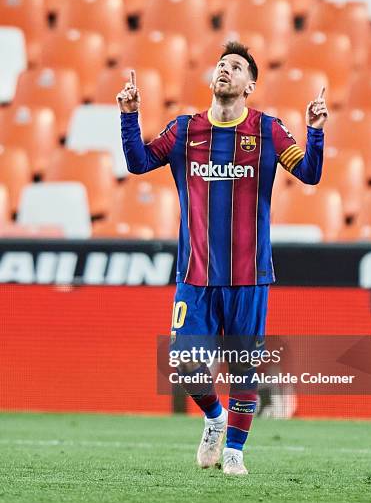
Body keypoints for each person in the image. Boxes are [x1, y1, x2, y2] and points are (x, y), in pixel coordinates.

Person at [117, 41, 328, 476]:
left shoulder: (268, 131)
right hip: (195, 275)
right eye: (221, 65)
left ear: (250, 85)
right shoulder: (184, 131)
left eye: (235, 67)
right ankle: (214, 418)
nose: (225, 70)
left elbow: (308, 172)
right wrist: (129, 116)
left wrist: (316, 131)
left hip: (249, 275)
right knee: (183, 362)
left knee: (244, 369)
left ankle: (235, 452)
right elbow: (138, 163)